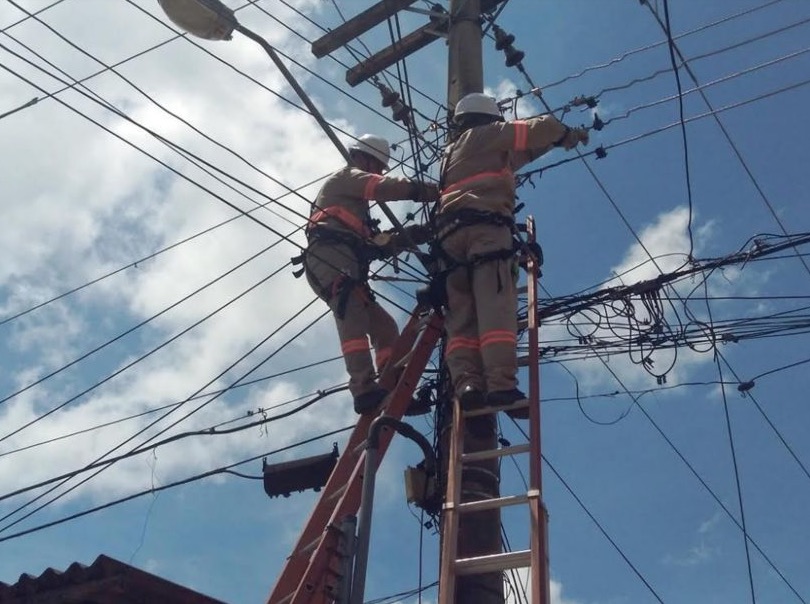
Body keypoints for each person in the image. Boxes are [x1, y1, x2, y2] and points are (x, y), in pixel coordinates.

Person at [436, 93, 589, 417]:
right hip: (485, 232)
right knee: (495, 307)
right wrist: (564, 135)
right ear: (489, 119)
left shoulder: (452, 154)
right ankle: (501, 385)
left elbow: (521, 153)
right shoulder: (486, 135)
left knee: (461, 316)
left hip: (450, 241)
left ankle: (467, 383)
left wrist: (556, 144)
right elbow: (541, 127)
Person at [302, 134, 439, 414]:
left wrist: (420, 233)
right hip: (330, 257)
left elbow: (378, 246)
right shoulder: (346, 178)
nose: (378, 172)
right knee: (351, 312)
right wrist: (430, 190)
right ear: (363, 158)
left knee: (385, 328)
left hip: (347, 262)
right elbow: (381, 187)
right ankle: (363, 388)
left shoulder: (357, 209)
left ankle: (390, 384)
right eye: (377, 165)